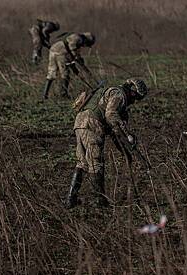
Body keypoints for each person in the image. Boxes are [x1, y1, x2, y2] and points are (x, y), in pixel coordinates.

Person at [65, 78, 148, 209]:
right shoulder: (119, 94)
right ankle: (99, 202)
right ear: (133, 92)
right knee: (95, 163)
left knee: (82, 162)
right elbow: (110, 115)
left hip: (80, 123)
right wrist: (127, 134)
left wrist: (124, 147)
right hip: (92, 125)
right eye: (136, 98)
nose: (134, 101)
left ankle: (71, 199)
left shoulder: (106, 92)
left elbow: (112, 125)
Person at [43, 32, 96, 99]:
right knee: (65, 74)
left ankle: (45, 95)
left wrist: (74, 66)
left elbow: (71, 55)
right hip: (61, 53)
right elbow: (73, 53)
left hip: (54, 50)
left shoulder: (76, 38)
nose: (85, 46)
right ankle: (63, 94)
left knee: (51, 73)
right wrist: (80, 62)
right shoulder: (78, 39)